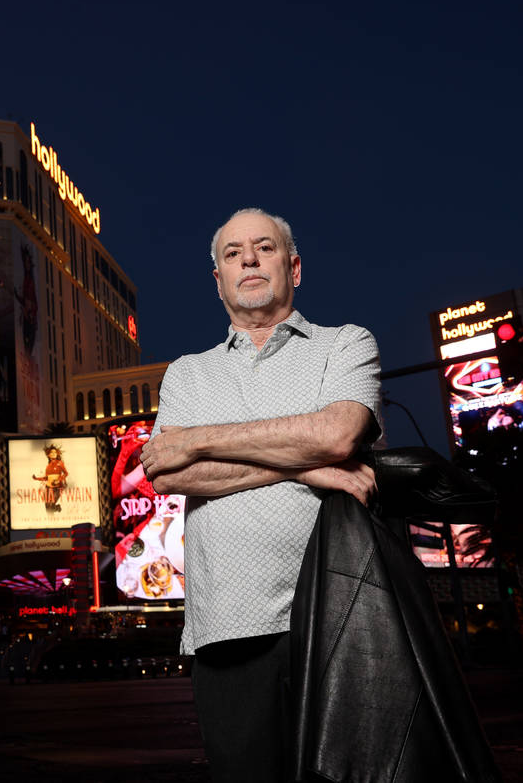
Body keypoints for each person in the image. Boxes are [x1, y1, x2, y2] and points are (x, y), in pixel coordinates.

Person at [139, 208, 381, 782]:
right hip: (227, 624)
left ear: (293, 268)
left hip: (340, 612)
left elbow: (337, 434)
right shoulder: (187, 374)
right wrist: (304, 468)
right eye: (232, 253)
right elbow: (168, 475)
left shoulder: (344, 344)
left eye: (264, 247)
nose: (248, 259)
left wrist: (196, 440)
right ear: (217, 279)